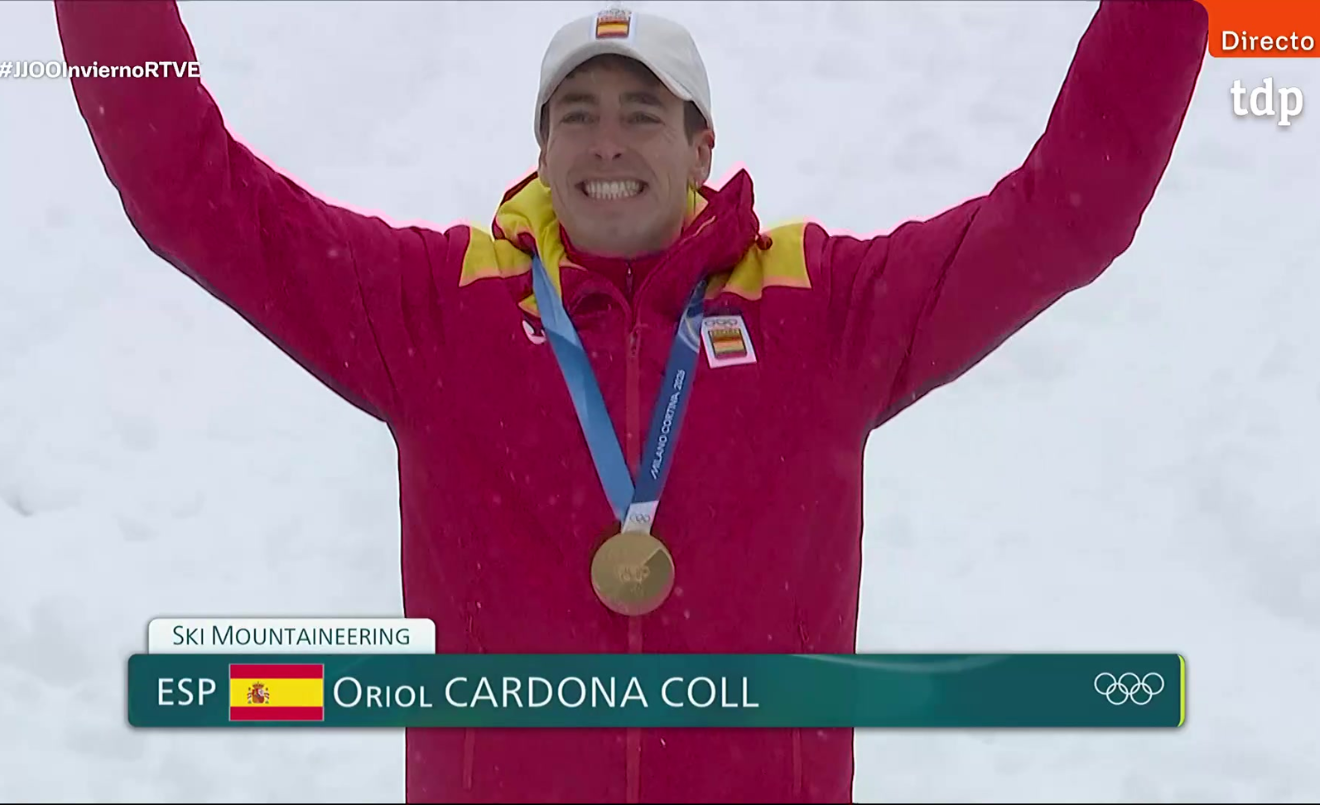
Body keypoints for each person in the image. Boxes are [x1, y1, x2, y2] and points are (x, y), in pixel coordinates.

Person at [56, 0, 1209, 802]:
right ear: (542, 148)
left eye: (643, 113)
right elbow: (185, 187)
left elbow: (1069, 213)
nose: (609, 142)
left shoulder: (826, 308)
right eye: (578, 113)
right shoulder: (436, 309)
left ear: (702, 145)